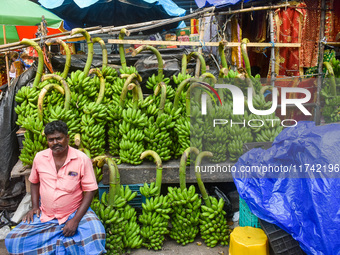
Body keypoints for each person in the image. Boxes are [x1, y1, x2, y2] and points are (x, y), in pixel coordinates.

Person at [5, 120, 106, 254]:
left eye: (59, 138)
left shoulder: (81, 159)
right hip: (46, 215)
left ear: (67, 138)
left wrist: (75, 221)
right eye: (51, 139)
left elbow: (90, 190)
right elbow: (34, 182)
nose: (55, 143)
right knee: (13, 240)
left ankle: (55, 243)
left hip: (74, 212)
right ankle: (64, 243)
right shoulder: (40, 158)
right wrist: (35, 207)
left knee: (97, 235)